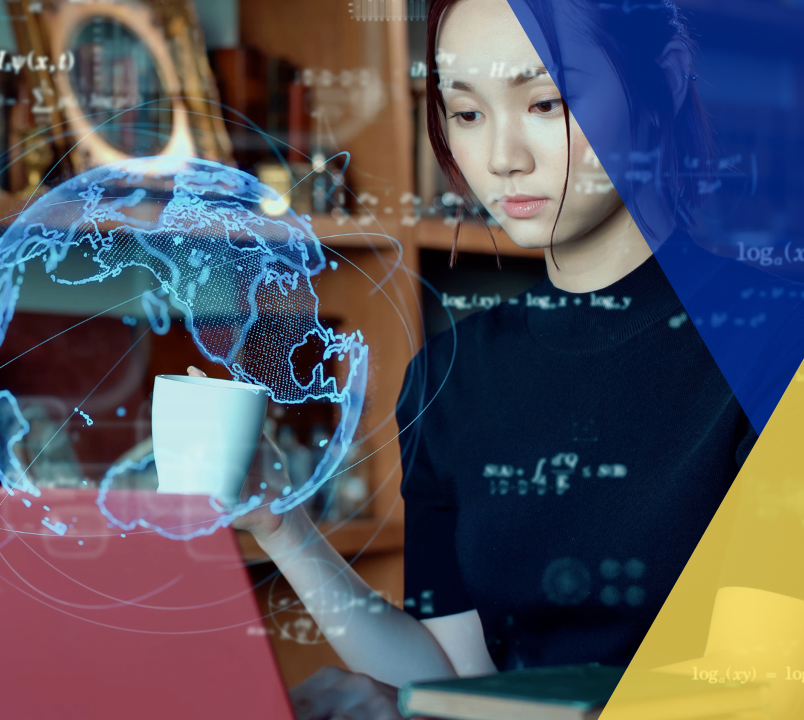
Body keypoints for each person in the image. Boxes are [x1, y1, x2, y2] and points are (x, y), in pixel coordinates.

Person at [190, 0, 758, 716]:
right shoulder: (450, 374)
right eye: (466, 114)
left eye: (546, 101)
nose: (502, 158)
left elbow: (757, 688)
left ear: (666, 79)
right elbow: (458, 678)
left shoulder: (773, 347)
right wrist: (285, 527)